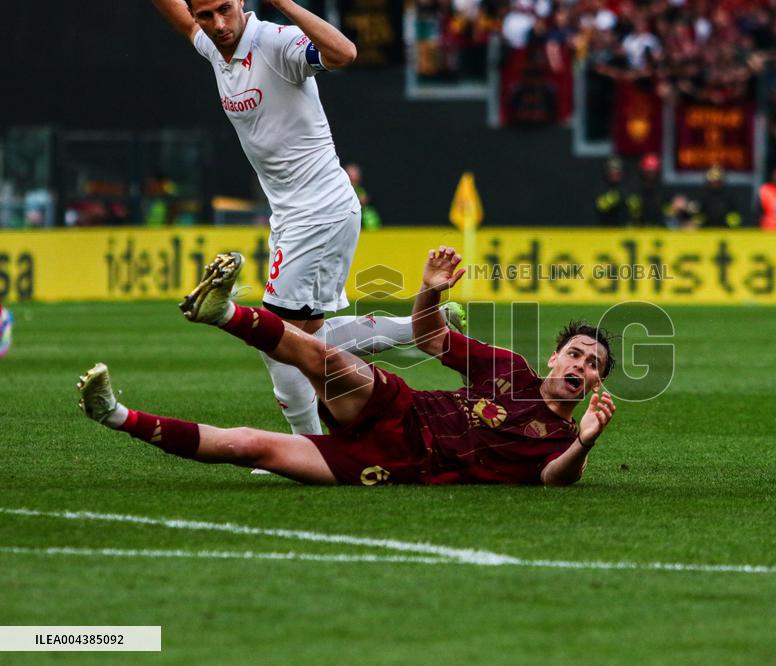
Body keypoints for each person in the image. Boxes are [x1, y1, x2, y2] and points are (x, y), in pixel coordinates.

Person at [151, 0, 461, 437]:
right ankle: (419, 327)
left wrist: (283, 4)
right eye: (206, 16)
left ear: (241, 2)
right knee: (309, 337)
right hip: (293, 214)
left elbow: (345, 54)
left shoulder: (274, 42)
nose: (218, 24)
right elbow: (185, 23)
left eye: (224, 9)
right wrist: (195, 19)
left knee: (275, 337)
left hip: (320, 210)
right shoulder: (213, 44)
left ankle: (309, 445)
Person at [77, 247, 618, 487]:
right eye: (575, 353)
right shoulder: (511, 369)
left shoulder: (563, 440)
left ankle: (113, 414)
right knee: (331, 359)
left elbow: (554, 478)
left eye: (593, 365)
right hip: (404, 411)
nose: (580, 364)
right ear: (554, 357)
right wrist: (428, 291)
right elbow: (430, 336)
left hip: (396, 464)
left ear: (596, 383)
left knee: (251, 447)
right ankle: (223, 314)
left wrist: (586, 441)